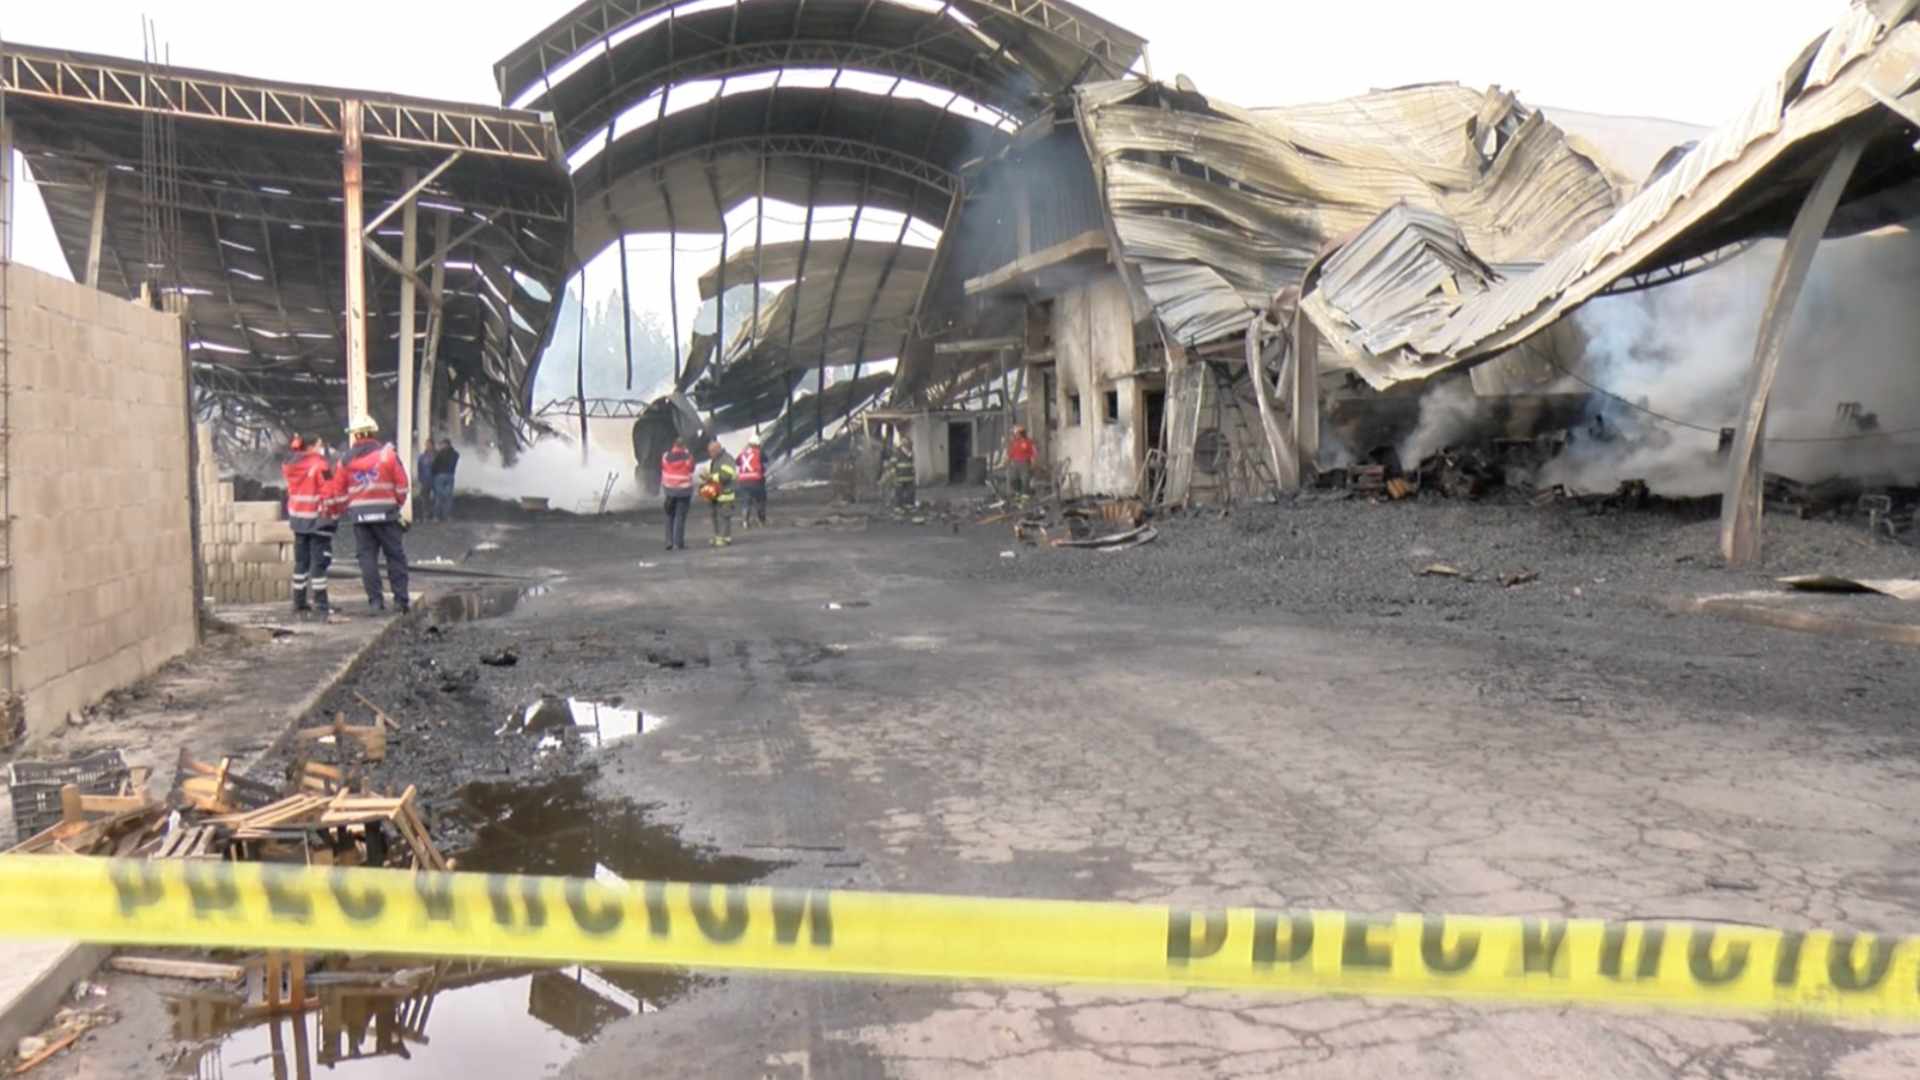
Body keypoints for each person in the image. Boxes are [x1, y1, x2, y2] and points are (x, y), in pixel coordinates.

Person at [343, 414, 411, 615]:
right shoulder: (388, 455)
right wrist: (395, 505)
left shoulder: (346, 460)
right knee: (395, 557)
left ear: (356, 436)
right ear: (374, 433)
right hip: (387, 516)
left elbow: (338, 489)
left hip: (361, 519)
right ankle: (400, 602)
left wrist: (349, 508)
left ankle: (375, 601)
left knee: (367, 560)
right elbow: (402, 486)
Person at [281, 435, 342, 618]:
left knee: (301, 563)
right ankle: (321, 604)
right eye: (319, 444)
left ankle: (299, 602)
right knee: (319, 563)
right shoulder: (320, 465)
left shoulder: (289, 466)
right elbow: (329, 491)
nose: (321, 447)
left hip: (298, 520)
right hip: (318, 520)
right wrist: (334, 514)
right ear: (312, 446)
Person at [660, 436, 695, 551]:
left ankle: (668, 542)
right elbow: (691, 469)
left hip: (669, 491)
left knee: (669, 516)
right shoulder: (688, 457)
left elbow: (663, 466)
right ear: (684, 446)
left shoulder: (665, 457)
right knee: (680, 517)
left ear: (674, 445)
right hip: (684, 491)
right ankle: (678, 543)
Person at [699, 441, 737, 547]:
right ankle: (718, 537)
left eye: (711, 452)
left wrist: (710, 477)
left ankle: (725, 538)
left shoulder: (727, 459)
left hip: (725, 494)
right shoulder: (717, 459)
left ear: (717, 450)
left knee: (724, 517)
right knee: (715, 516)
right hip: (716, 493)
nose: (710, 454)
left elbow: (727, 475)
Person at [736, 437, 768, 529]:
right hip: (756, 480)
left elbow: (737, 462)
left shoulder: (743, 453)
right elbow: (766, 460)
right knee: (760, 501)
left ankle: (745, 521)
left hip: (743, 481)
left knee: (746, 501)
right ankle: (761, 521)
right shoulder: (759, 452)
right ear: (758, 444)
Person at [430, 438, 460, 521]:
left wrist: (434, 474)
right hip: (450, 475)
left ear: (445, 444)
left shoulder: (439, 454)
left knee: (439, 497)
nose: (441, 446)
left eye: (442, 444)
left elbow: (434, 465)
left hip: (439, 476)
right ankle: (447, 516)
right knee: (448, 497)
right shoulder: (455, 454)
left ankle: (436, 516)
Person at [1007, 425, 1037, 500]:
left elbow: (1033, 453)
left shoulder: (1028, 442)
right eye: (1015, 434)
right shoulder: (1014, 443)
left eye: (1017, 433)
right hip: (1015, 463)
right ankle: (1017, 493)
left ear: (1021, 433)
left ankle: (1025, 495)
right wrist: (1007, 461)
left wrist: (1033, 462)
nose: (1015, 435)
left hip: (1024, 463)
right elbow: (1011, 453)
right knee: (1014, 479)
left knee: (1025, 479)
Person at [890, 438, 916, 510]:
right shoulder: (897, 453)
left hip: (909, 477)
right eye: (907, 445)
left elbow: (911, 463)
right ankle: (898, 506)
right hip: (900, 477)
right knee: (899, 492)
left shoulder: (910, 453)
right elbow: (893, 464)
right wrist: (894, 474)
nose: (909, 446)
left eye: (910, 445)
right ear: (903, 445)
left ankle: (909, 505)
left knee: (910, 492)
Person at [414, 443, 436, 522]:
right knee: (424, 498)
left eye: (430, 445)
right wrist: (420, 478)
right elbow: (419, 468)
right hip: (425, 480)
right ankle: (425, 514)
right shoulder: (422, 457)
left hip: (434, 479)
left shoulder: (435, 456)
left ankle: (433, 514)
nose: (428, 447)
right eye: (427, 445)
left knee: (435, 498)